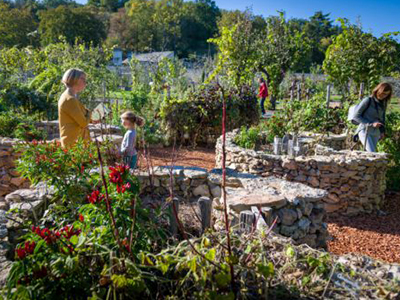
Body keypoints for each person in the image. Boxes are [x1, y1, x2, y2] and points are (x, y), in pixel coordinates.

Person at [58, 68, 93, 148]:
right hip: (74, 143)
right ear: (74, 79)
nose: (85, 82)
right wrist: (90, 113)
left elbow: (79, 118)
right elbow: (83, 123)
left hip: (76, 142)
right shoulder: (70, 99)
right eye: (83, 79)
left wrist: (91, 119)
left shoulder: (70, 97)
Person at [353, 82, 392, 152]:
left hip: (376, 132)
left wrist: (382, 131)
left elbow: (382, 118)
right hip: (365, 130)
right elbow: (356, 116)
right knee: (372, 153)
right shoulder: (368, 100)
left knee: (371, 155)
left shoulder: (383, 103)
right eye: (383, 93)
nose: (384, 96)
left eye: (386, 94)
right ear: (378, 90)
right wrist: (371, 124)